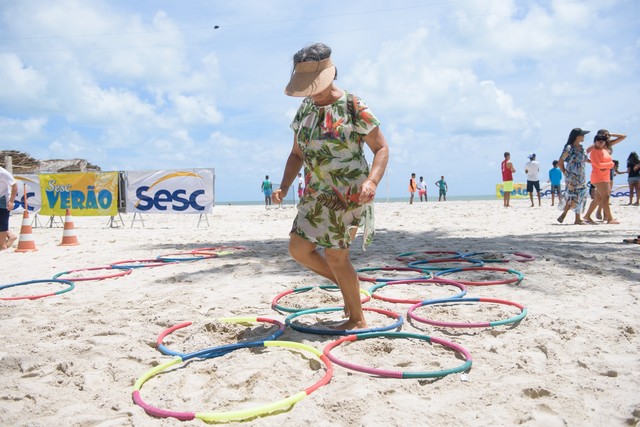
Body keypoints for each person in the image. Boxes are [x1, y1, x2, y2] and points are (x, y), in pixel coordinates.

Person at [272, 43, 389, 331]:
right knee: (299, 249)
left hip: (348, 195)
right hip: (315, 194)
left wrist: (372, 180)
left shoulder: (353, 106)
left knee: (337, 256)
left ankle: (357, 318)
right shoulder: (305, 110)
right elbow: (296, 154)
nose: (313, 91)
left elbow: (382, 148)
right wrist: (284, 186)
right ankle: (350, 288)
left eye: (317, 85)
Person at [585, 130, 626, 219]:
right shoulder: (595, 146)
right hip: (600, 172)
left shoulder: (607, 144)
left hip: (608, 171)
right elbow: (584, 155)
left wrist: (611, 134)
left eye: (607, 135)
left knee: (601, 196)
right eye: (604, 135)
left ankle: (592, 215)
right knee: (605, 195)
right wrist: (593, 163)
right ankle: (606, 216)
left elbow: (623, 136)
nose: (605, 137)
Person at [557, 128, 590, 224]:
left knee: (581, 195)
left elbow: (585, 159)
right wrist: (566, 174)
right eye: (582, 135)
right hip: (572, 176)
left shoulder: (582, 148)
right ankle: (576, 218)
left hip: (582, 175)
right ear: (576, 136)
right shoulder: (569, 148)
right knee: (573, 195)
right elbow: (560, 162)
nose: (584, 136)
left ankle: (570, 216)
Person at [0, 166, 18, 250]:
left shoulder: (3, 173)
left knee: (2, 222)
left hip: (2, 199)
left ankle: (3, 246)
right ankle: (11, 235)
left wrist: (11, 201)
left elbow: (14, 186)